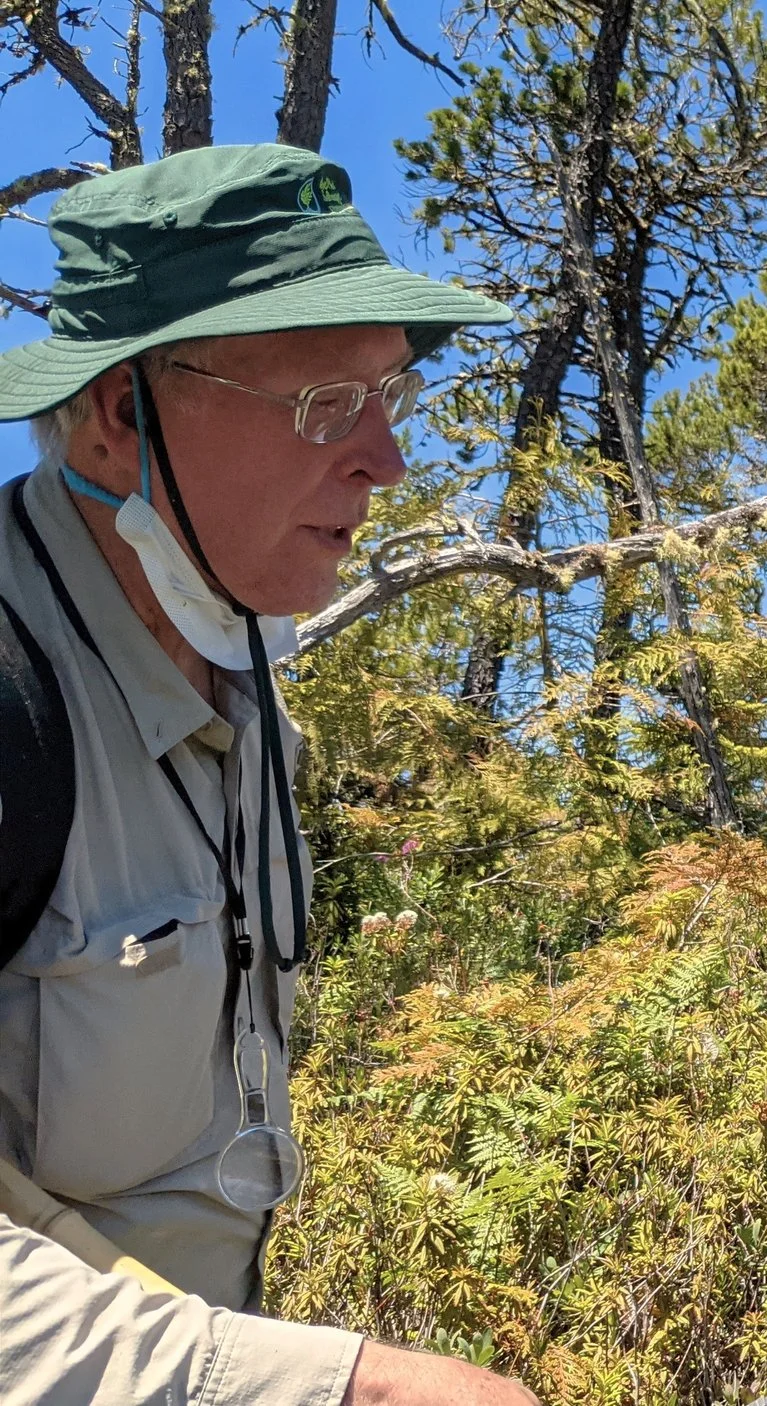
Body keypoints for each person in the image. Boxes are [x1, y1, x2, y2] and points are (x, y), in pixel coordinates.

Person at [0, 145, 536, 1403]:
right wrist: (331, 1385)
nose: (385, 461)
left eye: (389, 395)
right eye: (322, 404)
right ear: (123, 415)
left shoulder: (242, 681)